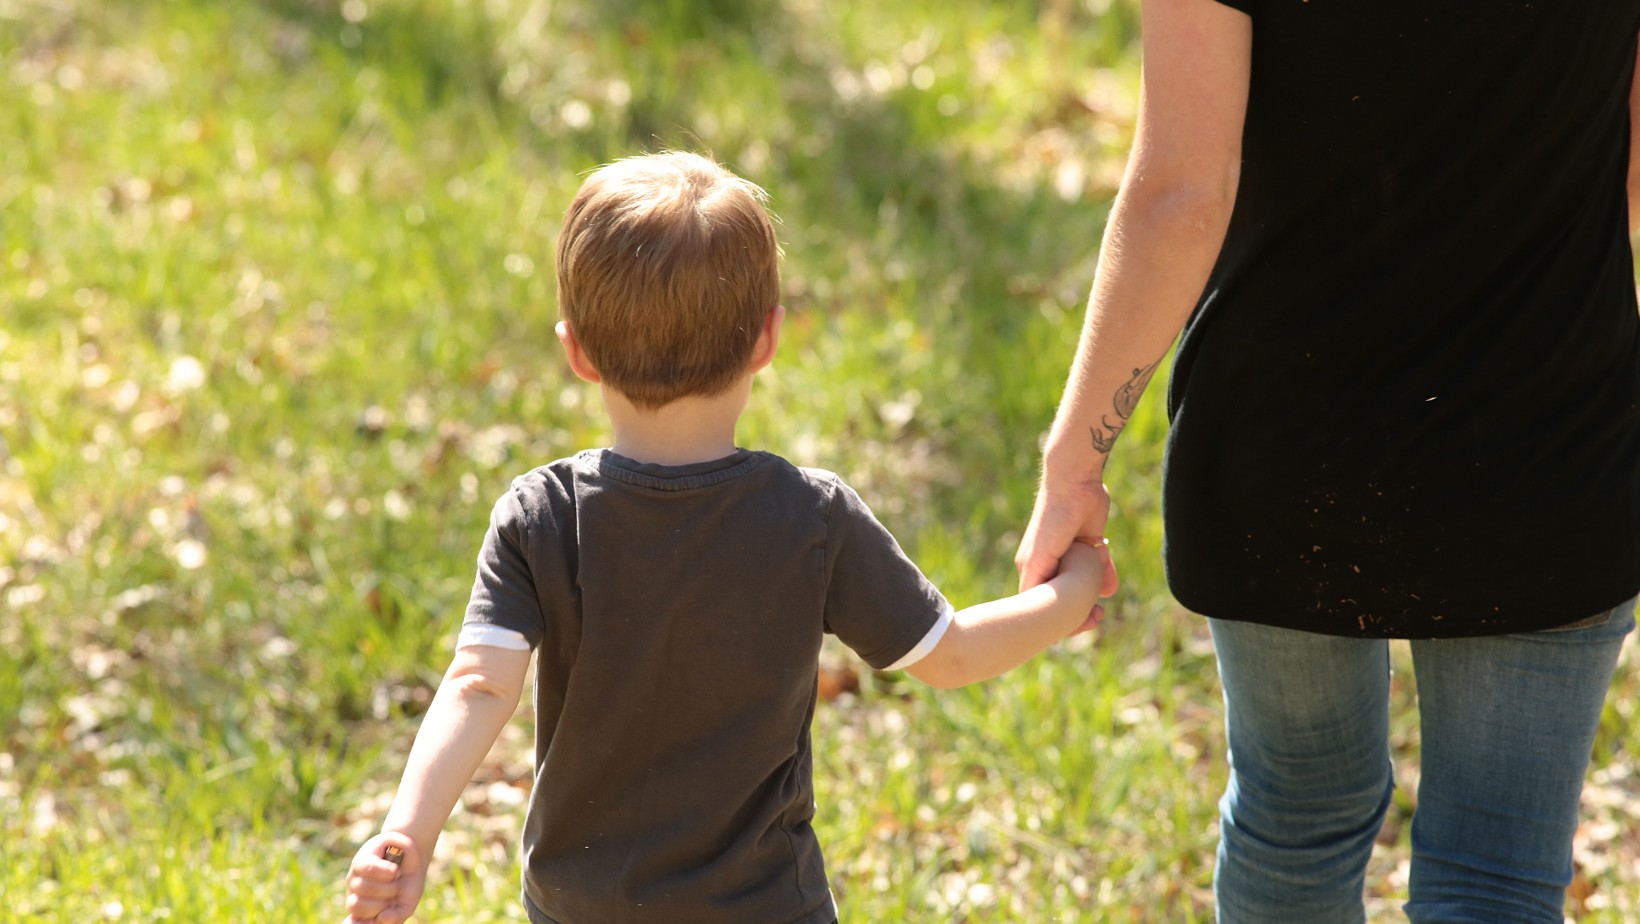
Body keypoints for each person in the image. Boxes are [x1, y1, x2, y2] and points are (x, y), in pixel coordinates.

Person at [343, 151, 1110, 924]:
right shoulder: (810, 519)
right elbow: (954, 655)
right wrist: (1067, 594)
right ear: (766, 342)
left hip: (582, 904)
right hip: (761, 904)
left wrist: (406, 833)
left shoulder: (541, 515)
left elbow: (478, 684)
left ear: (575, 351)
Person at [1017, 1, 1640, 921]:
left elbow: (1182, 194)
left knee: (1293, 817)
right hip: (1547, 433)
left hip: (1288, 444)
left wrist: (1075, 462)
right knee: (1497, 863)